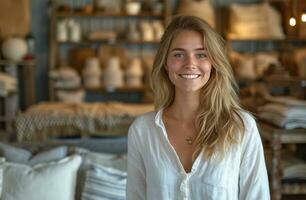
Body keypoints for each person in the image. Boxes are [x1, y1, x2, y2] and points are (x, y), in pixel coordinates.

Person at [126, 15, 270, 200]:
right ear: (165, 63)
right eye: (179, 54)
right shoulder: (142, 130)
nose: (190, 64)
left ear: (213, 63)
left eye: (201, 55)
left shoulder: (241, 127)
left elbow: (257, 196)